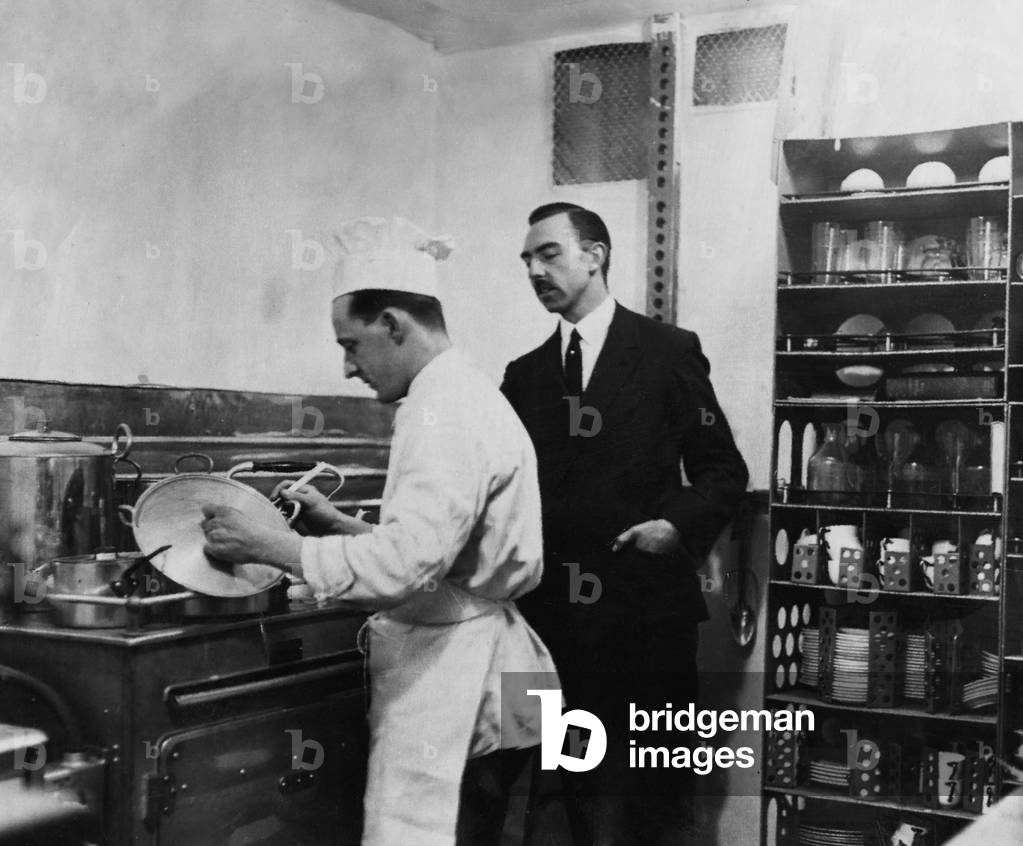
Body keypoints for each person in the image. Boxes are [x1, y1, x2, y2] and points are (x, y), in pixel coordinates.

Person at [200, 216, 558, 846]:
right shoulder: (459, 392)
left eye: (351, 345)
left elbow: (405, 568)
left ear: (394, 324)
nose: (346, 368)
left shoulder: (441, 410)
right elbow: (445, 547)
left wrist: (271, 545)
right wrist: (340, 526)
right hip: (498, 668)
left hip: (464, 680)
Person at [500, 202, 749, 846]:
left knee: (654, 800)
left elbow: (724, 470)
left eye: (548, 253)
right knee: (585, 798)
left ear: (595, 255)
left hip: (646, 625)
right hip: (556, 630)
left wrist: (675, 525)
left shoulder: (667, 353)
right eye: (527, 260)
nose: (534, 270)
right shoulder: (523, 378)